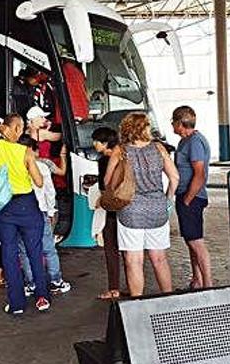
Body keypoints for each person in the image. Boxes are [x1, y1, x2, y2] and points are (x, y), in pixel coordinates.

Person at [0, 112, 51, 315]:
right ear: (19, 129)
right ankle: (42, 297)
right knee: (35, 253)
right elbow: (39, 182)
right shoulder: (26, 152)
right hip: (27, 205)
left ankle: (17, 304)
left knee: (10, 254)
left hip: (4, 208)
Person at [106, 113, 179, 297]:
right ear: (144, 128)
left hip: (130, 211)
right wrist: (167, 199)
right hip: (157, 210)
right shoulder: (159, 148)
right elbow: (175, 177)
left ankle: (137, 304)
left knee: (134, 261)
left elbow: (108, 181)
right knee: (160, 259)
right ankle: (168, 299)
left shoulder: (120, 150)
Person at [16, 135, 72, 295]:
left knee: (25, 250)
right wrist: (51, 211)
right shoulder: (41, 167)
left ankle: (31, 283)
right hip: (40, 212)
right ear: (33, 150)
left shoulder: (12, 166)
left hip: (19, 213)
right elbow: (49, 192)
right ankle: (55, 281)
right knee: (48, 248)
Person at [171, 106, 213, 289]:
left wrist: (187, 199)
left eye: (173, 121)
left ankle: (208, 284)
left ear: (180, 123)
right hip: (186, 196)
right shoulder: (185, 141)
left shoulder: (194, 142)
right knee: (190, 240)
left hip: (192, 197)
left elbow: (199, 174)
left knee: (196, 242)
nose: (172, 124)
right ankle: (197, 280)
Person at [91, 127, 123, 300]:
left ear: (104, 143)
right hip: (127, 207)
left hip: (111, 208)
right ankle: (134, 288)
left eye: (96, 141)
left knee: (111, 248)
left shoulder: (104, 161)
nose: (93, 144)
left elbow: (105, 186)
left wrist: (100, 199)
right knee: (128, 249)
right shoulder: (126, 156)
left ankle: (114, 288)